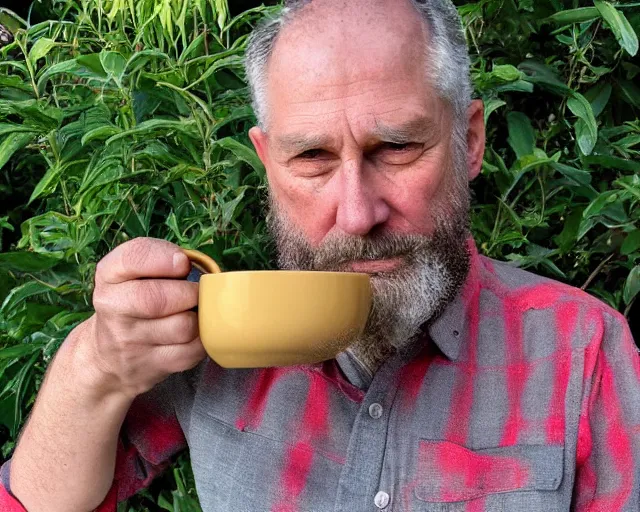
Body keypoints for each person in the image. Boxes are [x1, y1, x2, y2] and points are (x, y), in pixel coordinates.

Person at [2, 0, 639, 510]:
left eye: (395, 148)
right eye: (312, 158)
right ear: (267, 164)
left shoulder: (586, 351)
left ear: (468, 141)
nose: (357, 213)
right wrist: (97, 362)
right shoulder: (215, 335)